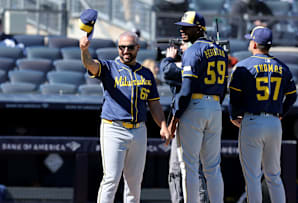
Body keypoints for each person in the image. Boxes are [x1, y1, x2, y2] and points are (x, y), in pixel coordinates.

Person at [79, 9, 171, 203]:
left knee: (134, 182)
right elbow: (90, 65)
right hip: (114, 127)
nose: (125, 52)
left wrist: (163, 126)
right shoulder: (109, 67)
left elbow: (154, 104)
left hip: (139, 129)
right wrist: (84, 50)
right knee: (111, 178)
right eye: (121, 48)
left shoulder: (146, 73)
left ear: (137, 48)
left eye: (129, 47)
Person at [228, 26, 297, 203]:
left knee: (252, 177)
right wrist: (282, 113)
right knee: (274, 175)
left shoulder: (243, 66)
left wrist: (234, 115)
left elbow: (234, 97)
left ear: (254, 43)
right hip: (274, 122)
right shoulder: (282, 67)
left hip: (252, 121)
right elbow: (292, 95)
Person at [168, 11, 228, 203]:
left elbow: (185, 91)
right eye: (182, 26)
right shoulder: (220, 50)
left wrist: (175, 118)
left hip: (195, 105)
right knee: (212, 166)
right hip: (215, 106)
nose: (182, 30)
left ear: (199, 29)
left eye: (187, 27)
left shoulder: (193, 51)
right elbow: (224, 88)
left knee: (190, 166)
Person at [161, 41, 209, 203]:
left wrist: (169, 58)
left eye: (183, 45)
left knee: (188, 169)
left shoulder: (195, 62)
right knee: (180, 170)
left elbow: (167, 72)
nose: (180, 48)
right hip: (195, 115)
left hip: (189, 117)